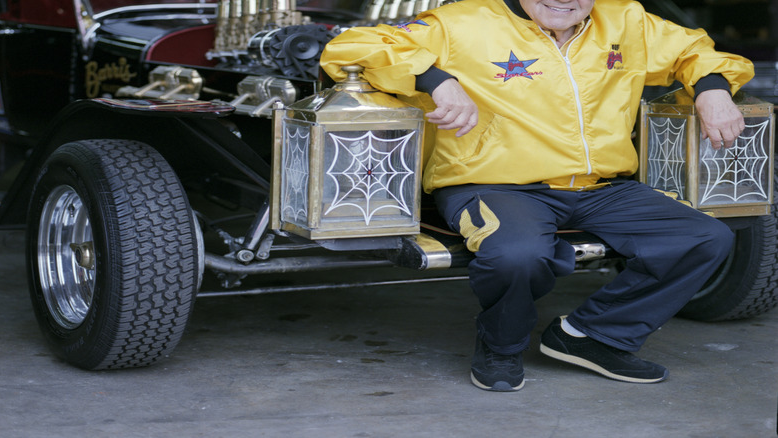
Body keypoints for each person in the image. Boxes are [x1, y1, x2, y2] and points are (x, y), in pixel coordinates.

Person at [320, 0, 754, 391]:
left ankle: (593, 336)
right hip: (492, 181)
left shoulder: (626, 20)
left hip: (599, 185)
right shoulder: (461, 22)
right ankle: (501, 347)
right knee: (518, 255)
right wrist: (436, 79)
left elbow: (694, 50)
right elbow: (350, 48)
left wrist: (713, 87)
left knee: (703, 237)